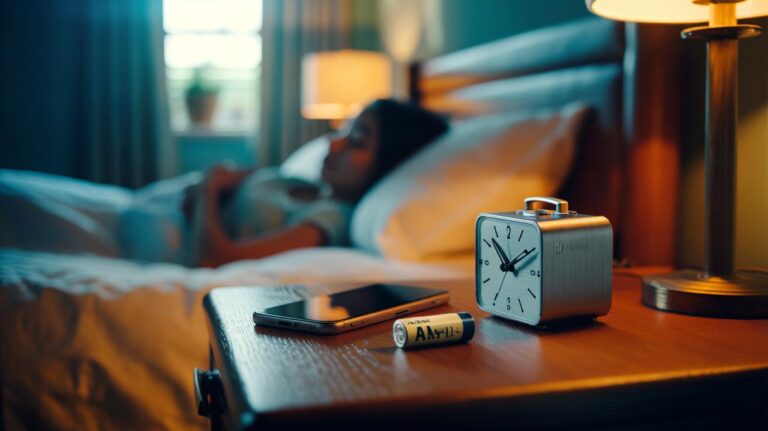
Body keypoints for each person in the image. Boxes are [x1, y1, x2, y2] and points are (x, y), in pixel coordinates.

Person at [0, 99, 448, 267]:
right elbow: (235, 178)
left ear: (386, 163)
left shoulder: (329, 219)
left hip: (153, 238)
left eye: (358, 140)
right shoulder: (301, 180)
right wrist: (214, 185)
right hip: (145, 206)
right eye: (345, 131)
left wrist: (211, 189)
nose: (335, 144)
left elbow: (216, 258)